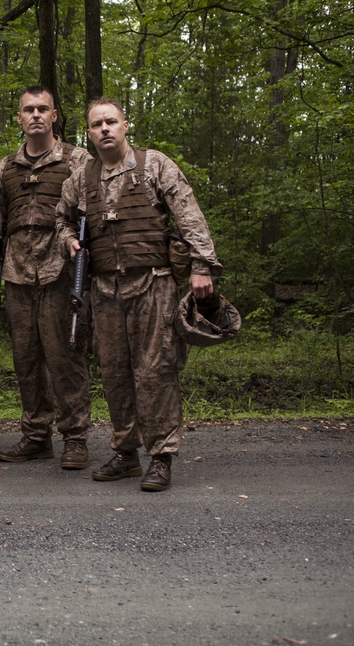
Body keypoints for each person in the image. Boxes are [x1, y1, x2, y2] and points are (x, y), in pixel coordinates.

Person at [56, 98, 223, 491]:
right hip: (104, 289)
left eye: (111, 121)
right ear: (89, 132)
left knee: (155, 372)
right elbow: (61, 218)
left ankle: (161, 457)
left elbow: (189, 215)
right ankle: (126, 452)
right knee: (114, 373)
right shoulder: (81, 177)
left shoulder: (155, 165)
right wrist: (68, 241)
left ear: (125, 125)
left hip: (153, 283)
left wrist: (202, 266)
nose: (105, 129)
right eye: (96, 124)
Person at [0, 87, 93, 469]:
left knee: (64, 357)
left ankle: (75, 438)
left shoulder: (78, 161)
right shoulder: (4, 169)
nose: (35, 116)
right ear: (19, 118)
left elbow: (88, 217)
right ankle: (35, 436)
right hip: (16, 274)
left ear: (55, 115)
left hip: (60, 271)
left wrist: (85, 269)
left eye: (42, 109)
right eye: (28, 110)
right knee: (26, 360)